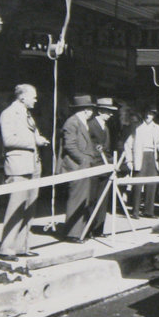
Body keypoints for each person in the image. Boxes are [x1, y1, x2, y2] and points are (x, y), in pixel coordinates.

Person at [0, 84, 49, 260]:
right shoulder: (9, 114)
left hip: (33, 165)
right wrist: (35, 142)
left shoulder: (27, 114)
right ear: (22, 97)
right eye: (33, 96)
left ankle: (21, 246)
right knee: (16, 208)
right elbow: (9, 140)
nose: (36, 99)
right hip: (18, 166)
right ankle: (6, 248)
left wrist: (38, 139)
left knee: (30, 207)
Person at [60, 95, 98, 242]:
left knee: (83, 199)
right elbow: (69, 145)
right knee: (77, 199)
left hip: (83, 167)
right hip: (76, 167)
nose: (91, 112)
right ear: (84, 110)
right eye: (90, 109)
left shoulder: (81, 122)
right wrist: (83, 159)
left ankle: (79, 231)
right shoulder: (72, 123)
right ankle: (72, 234)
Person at [123, 106, 159, 218]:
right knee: (138, 184)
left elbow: (158, 142)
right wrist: (129, 161)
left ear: (154, 115)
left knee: (152, 184)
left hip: (152, 157)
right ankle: (135, 211)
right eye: (147, 113)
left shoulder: (157, 127)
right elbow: (127, 144)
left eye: (151, 114)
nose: (148, 116)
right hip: (140, 157)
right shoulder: (137, 127)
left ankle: (148, 211)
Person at [87, 97, 117, 237]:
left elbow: (108, 149)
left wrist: (111, 163)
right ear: (100, 111)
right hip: (93, 166)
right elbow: (87, 146)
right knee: (91, 199)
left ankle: (99, 229)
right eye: (108, 112)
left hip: (105, 167)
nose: (110, 115)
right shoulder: (90, 125)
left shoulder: (107, 127)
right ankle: (89, 228)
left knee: (103, 198)